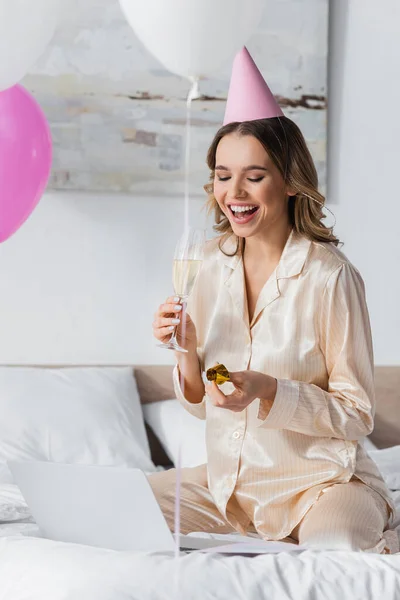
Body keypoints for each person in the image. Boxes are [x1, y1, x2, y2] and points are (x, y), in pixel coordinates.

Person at [151, 47, 397, 552]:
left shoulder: (330, 278)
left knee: (338, 550)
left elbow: (357, 415)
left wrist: (268, 389)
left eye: (254, 176)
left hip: (322, 486)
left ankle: (383, 520)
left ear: (289, 182)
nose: (233, 192)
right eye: (222, 175)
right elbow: (204, 407)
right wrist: (185, 353)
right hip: (228, 492)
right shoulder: (204, 263)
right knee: (119, 506)